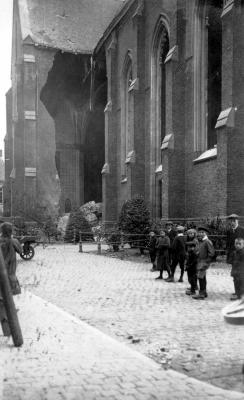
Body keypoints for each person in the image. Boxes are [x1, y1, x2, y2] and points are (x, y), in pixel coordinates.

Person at [0, 222, 22, 336]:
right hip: (10, 275)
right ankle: (8, 328)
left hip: (1, 275)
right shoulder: (13, 241)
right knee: (6, 299)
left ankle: (6, 324)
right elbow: (21, 250)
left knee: (2, 299)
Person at [192, 226, 215, 300]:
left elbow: (211, 253)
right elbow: (197, 250)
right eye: (199, 232)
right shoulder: (200, 241)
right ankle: (204, 292)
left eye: (202, 232)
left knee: (200, 277)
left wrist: (206, 263)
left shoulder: (207, 242)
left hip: (204, 261)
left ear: (205, 234)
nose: (200, 234)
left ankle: (201, 293)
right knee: (202, 277)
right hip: (200, 261)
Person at [226, 214, 244, 300]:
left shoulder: (242, 230)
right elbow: (228, 244)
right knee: (234, 274)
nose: (232, 223)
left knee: (241, 274)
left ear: (237, 221)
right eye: (231, 221)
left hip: (241, 256)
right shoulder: (229, 231)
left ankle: (240, 292)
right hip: (233, 256)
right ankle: (237, 291)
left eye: (234, 221)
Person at [185, 229, 199, 295]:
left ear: (194, 234)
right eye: (189, 233)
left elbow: (193, 244)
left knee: (192, 275)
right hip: (190, 257)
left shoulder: (195, 240)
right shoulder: (190, 240)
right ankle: (193, 287)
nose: (190, 235)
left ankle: (193, 288)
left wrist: (185, 243)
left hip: (193, 258)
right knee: (191, 275)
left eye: (192, 233)